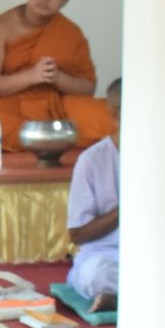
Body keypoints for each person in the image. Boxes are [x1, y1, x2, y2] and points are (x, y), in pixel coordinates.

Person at [0, 0, 118, 153]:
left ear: (64, 0)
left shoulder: (70, 33)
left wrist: (57, 77)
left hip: (58, 107)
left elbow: (87, 88)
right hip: (13, 106)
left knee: (109, 117)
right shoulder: (0, 28)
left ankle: (43, 142)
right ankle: (53, 143)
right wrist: (31, 76)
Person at [65, 80, 122, 310]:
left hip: (155, 255)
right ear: (117, 114)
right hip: (106, 256)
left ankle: (117, 297)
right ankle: (111, 293)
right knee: (97, 274)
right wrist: (127, 209)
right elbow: (78, 234)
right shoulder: (92, 160)